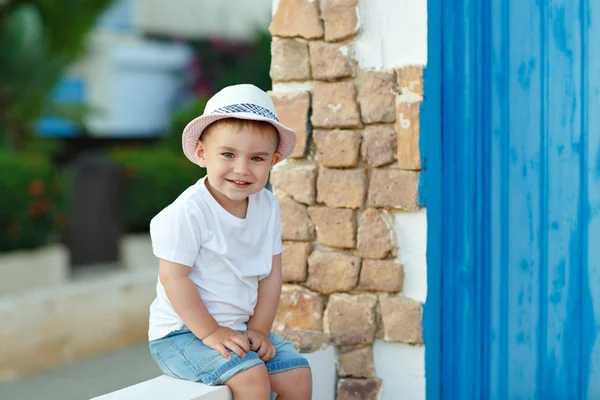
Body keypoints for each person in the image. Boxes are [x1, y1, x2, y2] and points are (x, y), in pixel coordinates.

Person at [147, 84, 312, 400]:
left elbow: (271, 274)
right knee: (251, 378)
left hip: (237, 329)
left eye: (256, 158)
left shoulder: (267, 206)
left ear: (273, 161)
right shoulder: (188, 212)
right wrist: (211, 332)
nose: (242, 169)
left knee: (297, 376)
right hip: (182, 335)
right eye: (228, 154)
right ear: (201, 153)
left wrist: (260, 330)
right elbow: (173, 277)